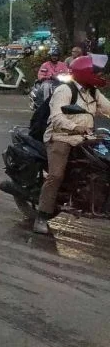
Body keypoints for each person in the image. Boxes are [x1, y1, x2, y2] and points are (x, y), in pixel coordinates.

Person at [34, 54, 110, 235]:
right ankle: (41, 217)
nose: (99, 75)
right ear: (85, 72)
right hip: (61, 137)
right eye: (96, 72)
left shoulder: (92, 91)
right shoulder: (65, 91)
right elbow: (57, 118)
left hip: (85, 138)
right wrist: (76, 127)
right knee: (56, 176)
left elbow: (108, 108)